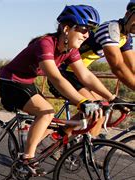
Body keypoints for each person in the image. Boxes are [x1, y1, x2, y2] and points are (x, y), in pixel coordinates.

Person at [0, 5, 103, 176]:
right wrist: (82, 102)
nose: (87, 35)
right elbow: (56, 77)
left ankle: (30, 137)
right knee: (46, 112)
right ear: (66, 28)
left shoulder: (70, 50)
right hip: (9, 81)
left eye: (90, 31)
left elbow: (86, 76)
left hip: (26, 82)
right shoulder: (45, 43)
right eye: (83, 29)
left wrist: (110, 97)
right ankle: (27, 158)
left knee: (48, 116)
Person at [47, 1, 134, 135]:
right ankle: (68, 142)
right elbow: (118, 67)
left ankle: (64, 136)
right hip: (63, 72)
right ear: (128, 14)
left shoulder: (125, 37)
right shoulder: (111, 30)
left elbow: (132, 66)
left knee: (103, 108)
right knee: (96, 111)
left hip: (78, 74)